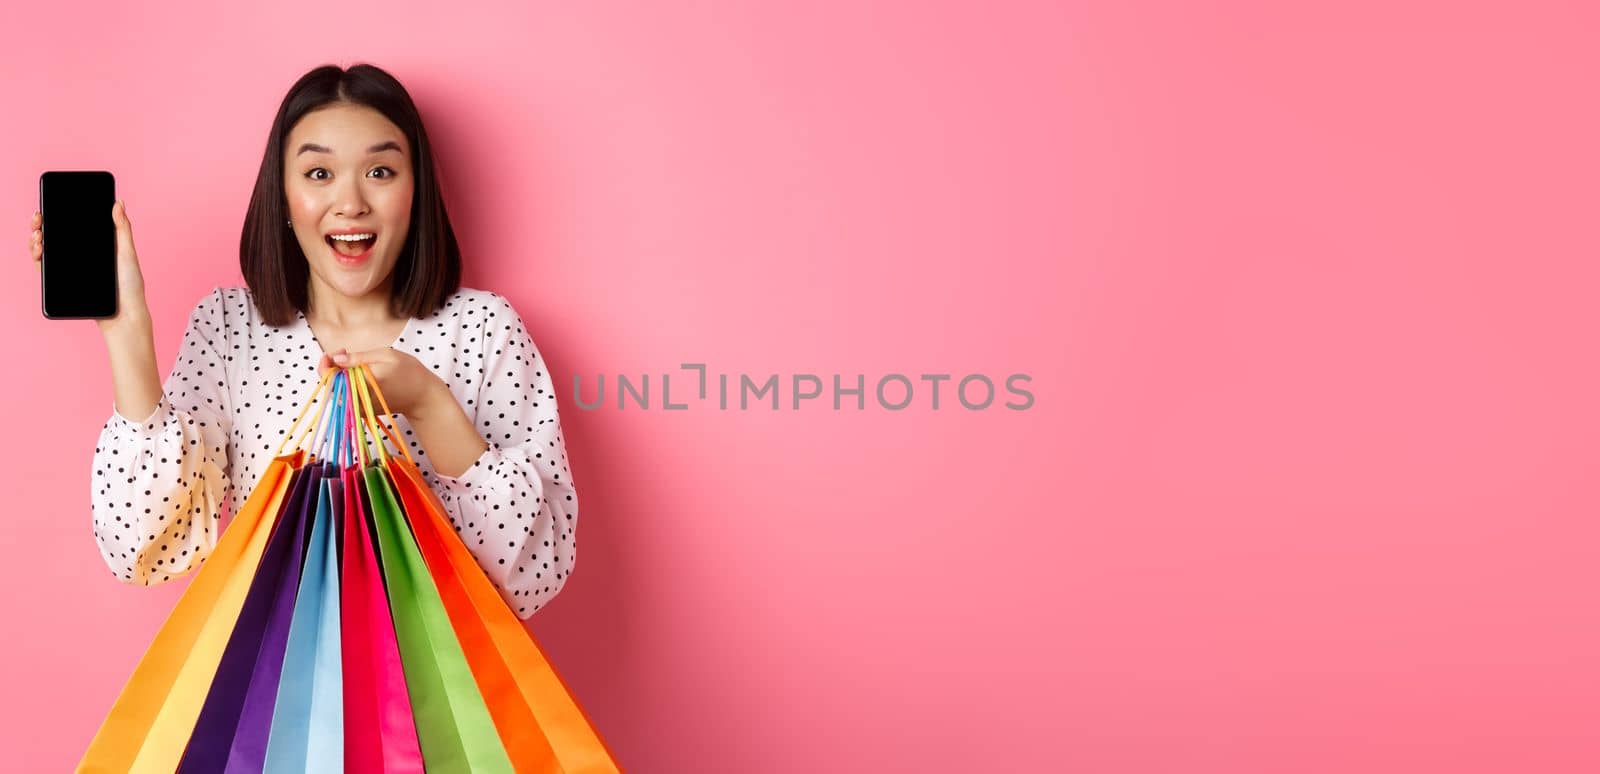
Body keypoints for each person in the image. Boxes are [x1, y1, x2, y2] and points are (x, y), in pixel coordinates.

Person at [25, 63, 579, 619]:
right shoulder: (230, 328)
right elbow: (141, 548)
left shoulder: (484, 331)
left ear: (416, 192)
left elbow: (534, 575)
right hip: (271, 699)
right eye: (319, 174)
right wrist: (128, 336)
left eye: (380, 171)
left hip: (437, 703)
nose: (351, 202)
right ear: (284, 196)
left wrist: (430, 407)